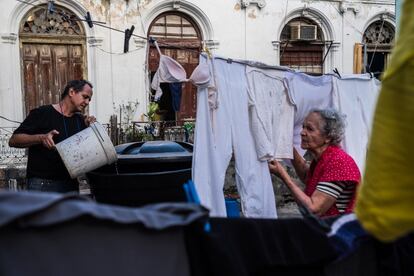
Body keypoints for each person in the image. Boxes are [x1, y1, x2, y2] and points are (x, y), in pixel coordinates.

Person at [268, 108, 360, 217]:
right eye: (303, 127)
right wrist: (287, 146)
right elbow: (308, 176)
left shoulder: (338, 162)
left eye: (310, 129)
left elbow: (314, 209)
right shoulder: (324, 158)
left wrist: (283, 175)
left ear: (328, 137)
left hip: (335, 231)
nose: (302, 132)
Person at [9, 79, 96, 193]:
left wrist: (93, 130)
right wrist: (41, 138)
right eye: (85, 96)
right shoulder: (42, 113)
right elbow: (13, 140)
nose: (87, 102)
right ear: (71, 92)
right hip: (42, 185)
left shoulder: (81, 120)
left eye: (89, 99)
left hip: (70, 185)